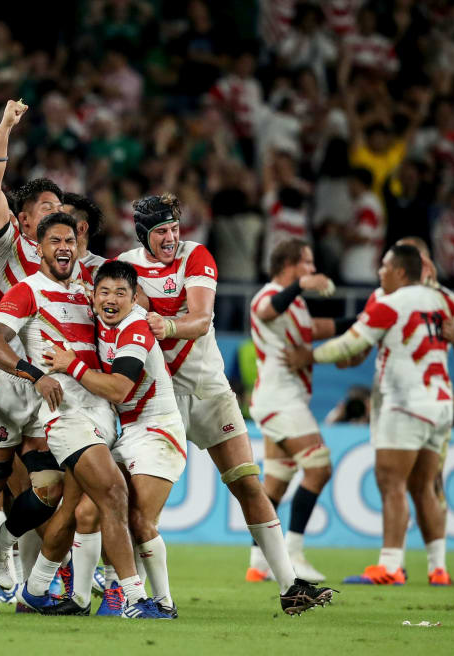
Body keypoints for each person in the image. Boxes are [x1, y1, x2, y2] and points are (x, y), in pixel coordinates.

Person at [119, 193, 333, 614]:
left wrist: (164, 322)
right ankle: (132, 595)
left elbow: (201, 320)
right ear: (143, 233)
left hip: (210, 391)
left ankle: (290, 585)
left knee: (247, 484)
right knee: (143, 507)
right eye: (161, 230)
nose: (170, 237)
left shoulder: (196, 257)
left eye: (174, 229)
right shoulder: (127, 268)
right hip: (162, 398)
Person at [0, 214, 163, 619]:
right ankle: (133, 599)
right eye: (55, 241)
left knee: (70, 508)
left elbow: (127, 310)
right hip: (65, 415)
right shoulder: (28, 291)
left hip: (102, 412)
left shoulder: (88, 292)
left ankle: (36, 589)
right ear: (39, 248)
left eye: (70, 240)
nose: (64, 246)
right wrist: (35, 374)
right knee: (114, 493)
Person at [0, 102, 69, 609]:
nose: (55, 214)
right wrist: (4, 125)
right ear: (24, 220)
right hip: (1, 382)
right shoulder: (9, 247)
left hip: (46, 388)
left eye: (59, 208)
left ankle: (3, 542)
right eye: (45, 207)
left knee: (50, 484)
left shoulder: (72, 267)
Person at [298, 245, 454, 587]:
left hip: (404, 402)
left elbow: (349, 345)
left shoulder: (390, 303)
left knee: (391, 482)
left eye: (385, 266)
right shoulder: (442, 301)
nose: (379, 272)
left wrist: (307, 357)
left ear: (401, 271)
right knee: (424, 485)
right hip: (441, 401)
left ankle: (390, 566)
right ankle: (438, 568)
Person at [45, 260, 186, 617]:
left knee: (137, 520)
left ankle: (163, 603)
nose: (111, 299)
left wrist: (71, 364)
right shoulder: (98, 318)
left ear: (134, 297)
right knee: (88, 512)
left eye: (120, 293)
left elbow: (121, 389)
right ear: (93, 296)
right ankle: (78, 600)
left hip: (158, 431)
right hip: (127, 432)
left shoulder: (135, 328)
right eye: (104, 291)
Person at [246, 238, 338, 584]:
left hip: (282, 399)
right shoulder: (267, 296)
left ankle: (258, 561)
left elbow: (320, 329)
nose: (313, 270)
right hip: (281, 398)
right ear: (289, 265)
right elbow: (269, 310)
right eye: (307, 264)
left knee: (276, 484)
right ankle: (294, 555)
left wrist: (365, 322)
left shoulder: (296, 306)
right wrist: (302, 284)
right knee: (319, 467)